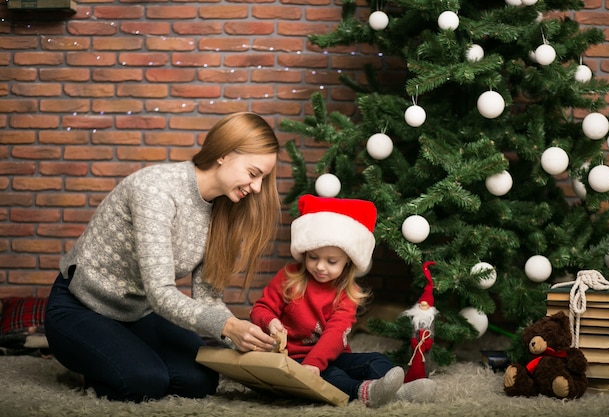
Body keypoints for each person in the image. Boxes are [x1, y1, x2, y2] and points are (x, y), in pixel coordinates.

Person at [44, 112, 281, 403]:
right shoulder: (155, 189)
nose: (257, 188)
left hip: (137, 313)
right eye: (253, 173)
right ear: (224, 154)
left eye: (263, 179)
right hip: (81, 307)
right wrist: (228, 327)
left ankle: (122, 354)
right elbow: (160, 294)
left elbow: (207, 298)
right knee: (145, 382)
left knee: (200, 381)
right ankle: (88, 366)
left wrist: (243, 336)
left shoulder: (224, 209)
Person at [250, 194, 436, 408]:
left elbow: (335, 335)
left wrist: (315, 362)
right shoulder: (289, 277)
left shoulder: (348, 294)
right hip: (292, 359)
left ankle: (398, 391)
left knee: (376, 360)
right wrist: (270, 321)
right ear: (305, 252)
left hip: (328, 355)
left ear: (348, 261)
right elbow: (261, 308)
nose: (320, 267)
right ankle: (362, 392)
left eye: (331, 261)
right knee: (331, 375)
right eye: (313, 257)